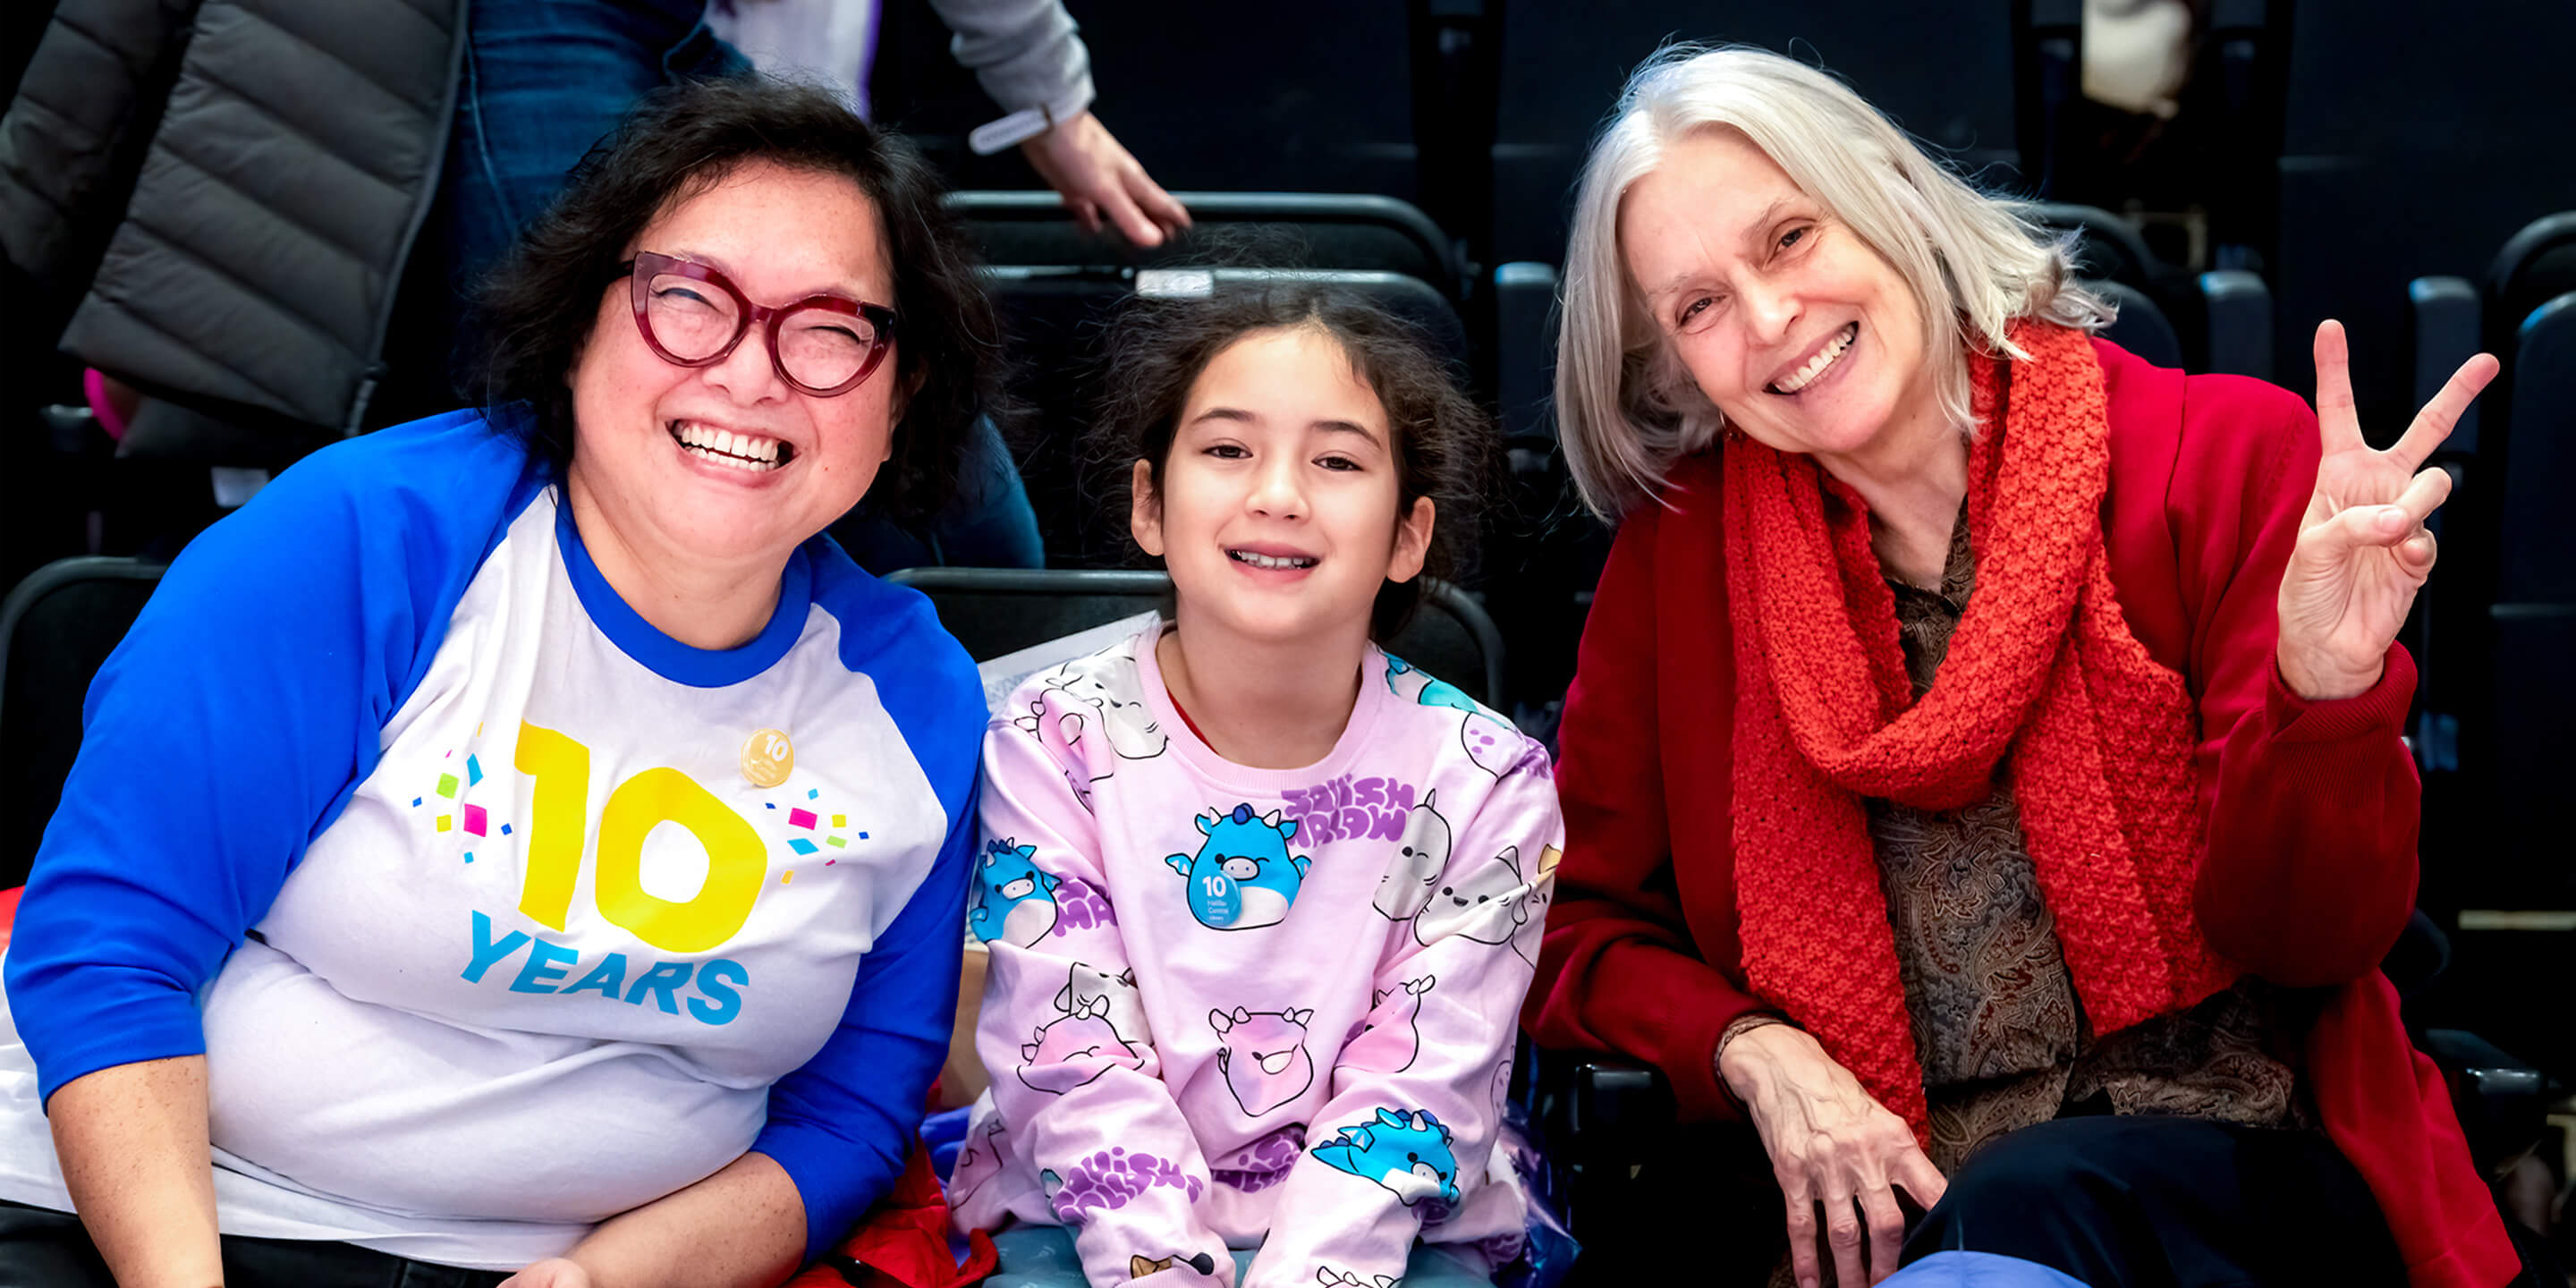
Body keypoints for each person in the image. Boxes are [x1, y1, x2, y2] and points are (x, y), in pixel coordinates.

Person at [1524, 44, 2526, 1288]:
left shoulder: (2221, 456)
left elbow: (2313, 940)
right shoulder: (1676, 566)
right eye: (1697, 307)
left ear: (1889, 199)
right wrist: (1753, 1052)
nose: (1769, 318)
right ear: (1676, 369)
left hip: (2229, 1191)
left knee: (2022, 1202)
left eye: (1788, 239)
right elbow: (1575, 926)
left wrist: (2323, 698)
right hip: (1861, 1220)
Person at [0, 78, 1000, 1287]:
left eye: (832, 330)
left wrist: (594, 1280)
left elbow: (847, 1117)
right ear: (582, 325)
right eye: (687, 299)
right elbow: (113, 947)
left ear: (902, 403)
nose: (750, 372)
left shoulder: (918, 697)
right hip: (158, 1233)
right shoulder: (367, 537)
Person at [944, 284, 1560, 1288]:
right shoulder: (1048, 736)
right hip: (1084, 1228)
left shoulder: (1487, 777)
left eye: (1339, 461)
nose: (1278, 492)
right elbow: (1074, 1064)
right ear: (1150, 504)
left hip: (1391, 1244)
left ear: (1408, 537)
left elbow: (1418, 1089)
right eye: (1228, 450)